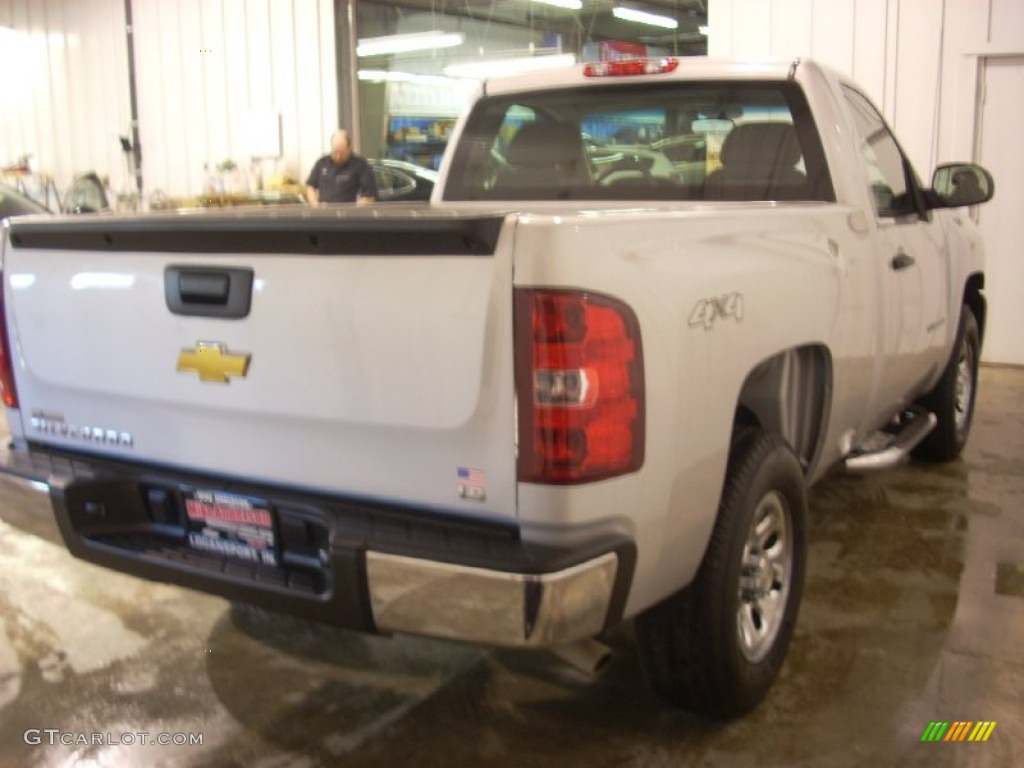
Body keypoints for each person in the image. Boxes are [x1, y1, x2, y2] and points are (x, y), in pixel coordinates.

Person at [305, 129, 377, 204]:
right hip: (325, 212)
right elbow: (310, 186)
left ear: (349, 148)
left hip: (350, 213)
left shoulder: (360, 165)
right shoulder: (322, 163)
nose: (339, 157)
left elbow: (370, 197)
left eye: (342, 153)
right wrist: (315, 204)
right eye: (335, 152)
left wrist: (360, 205)